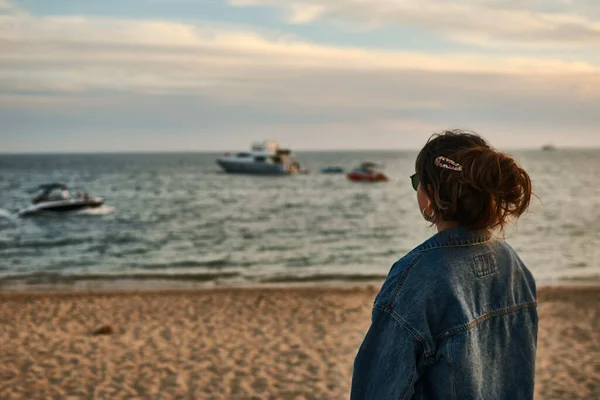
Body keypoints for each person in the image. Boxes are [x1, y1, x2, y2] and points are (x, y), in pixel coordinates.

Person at [351, 130, 537, 399]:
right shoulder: (514, 266)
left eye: (417, 182)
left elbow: (375, 390)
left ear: (431, 194)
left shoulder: (414, 278)